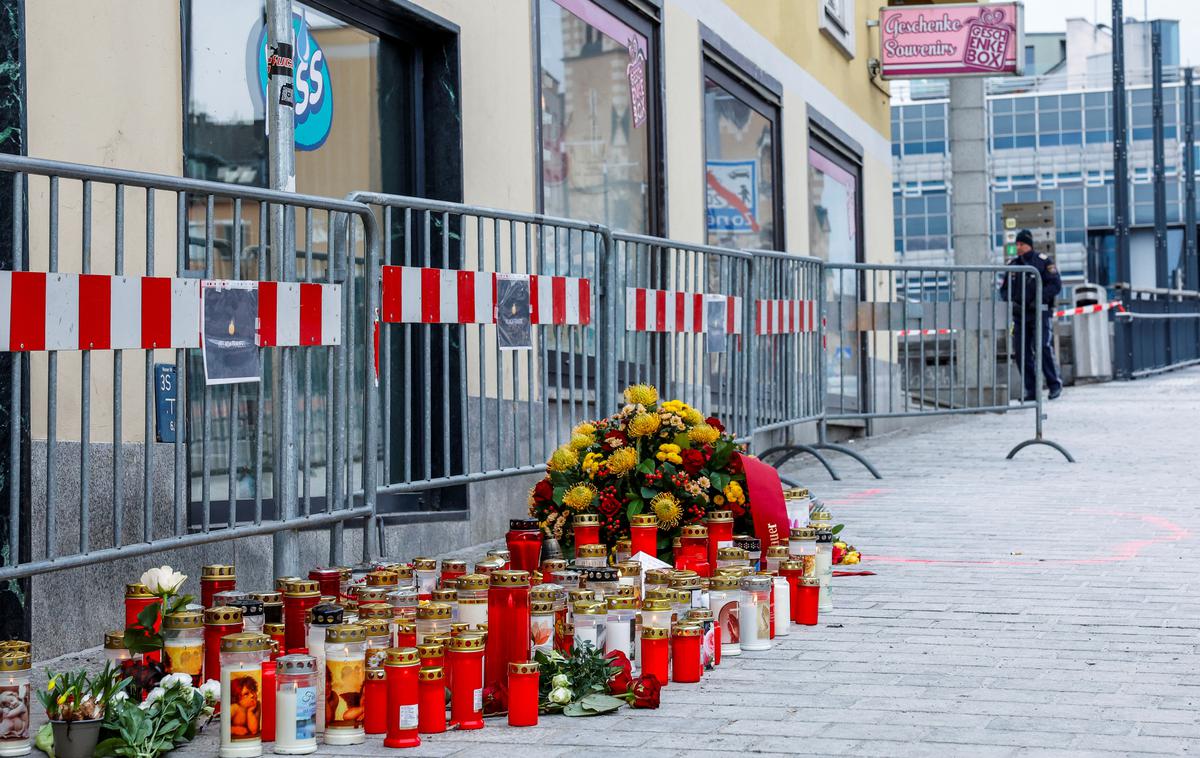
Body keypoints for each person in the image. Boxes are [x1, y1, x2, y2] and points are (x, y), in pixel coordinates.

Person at [1000, 229, 1063, 401]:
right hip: (1020, 316)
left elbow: (1056, 285)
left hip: (1040, 313)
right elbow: (1004, 290)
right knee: (1022, 352)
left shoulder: (1043, 262)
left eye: (1021, 244)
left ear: (1029, 244)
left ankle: (1054, 385)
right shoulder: (1013, 265)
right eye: (1017, 244)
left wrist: (1039, 297)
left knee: (1043, 347)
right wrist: (1012, 302)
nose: (1018, 247)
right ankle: (1032, 389)